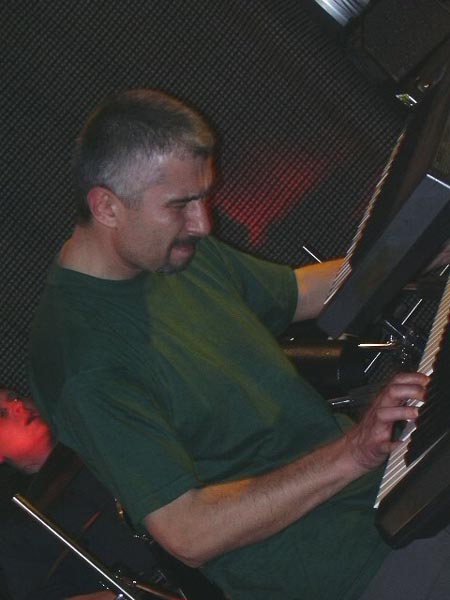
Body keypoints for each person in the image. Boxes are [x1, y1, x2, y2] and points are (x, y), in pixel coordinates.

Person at [28, 89, 449, 600]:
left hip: (384, 494)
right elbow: (188, 533)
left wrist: (426, 247)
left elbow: (301, 291)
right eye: (180, 205)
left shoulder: (171, 252)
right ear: (107, 206)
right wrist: (354, 451)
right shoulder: (83, 362)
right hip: (342, 571)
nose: (203, 223)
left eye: (203, 197)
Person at [0, 389, 210, 600]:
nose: (19, 406)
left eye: (16, 397)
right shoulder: (19, 530)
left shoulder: (105, 437)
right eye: (2, 413)